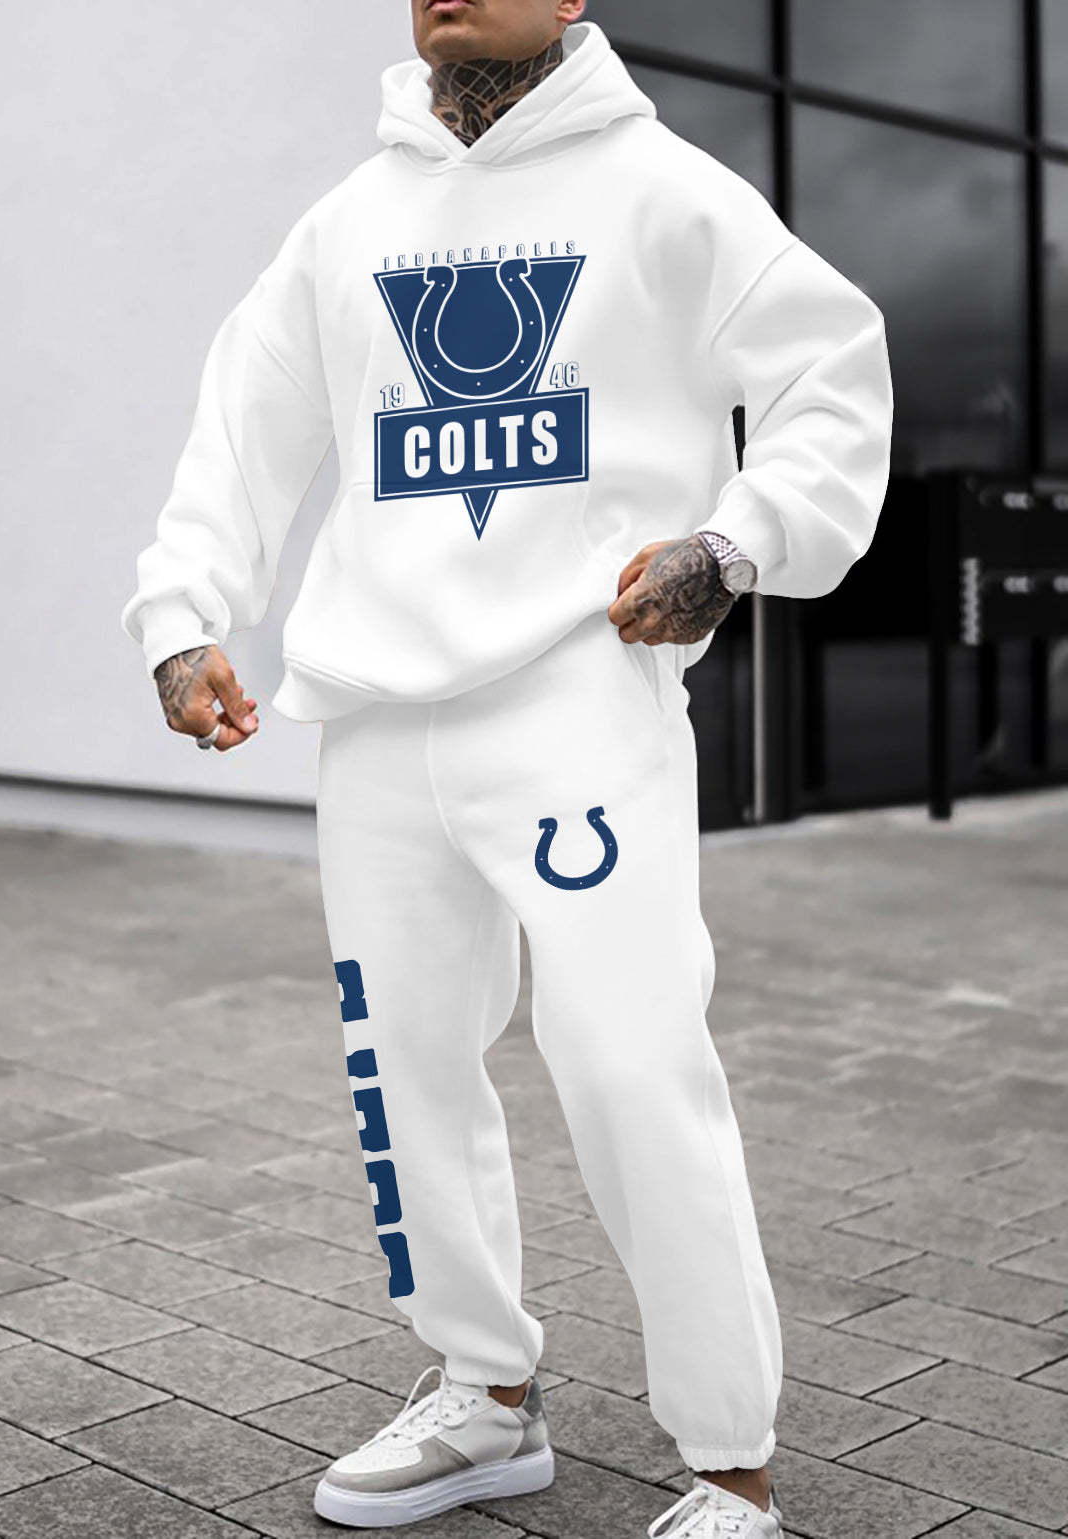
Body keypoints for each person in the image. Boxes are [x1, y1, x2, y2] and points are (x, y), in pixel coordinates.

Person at [122, 1, 892, 1532]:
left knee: (629, 1062)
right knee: (401, 1066)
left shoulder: (663, 193)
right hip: (376, 717)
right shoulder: (352, 220)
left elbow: (835, 373)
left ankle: (730, 1467)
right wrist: (184, 614)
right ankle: (484, 1393)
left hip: (575, 696)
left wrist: (736, 544)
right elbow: (244, 425)